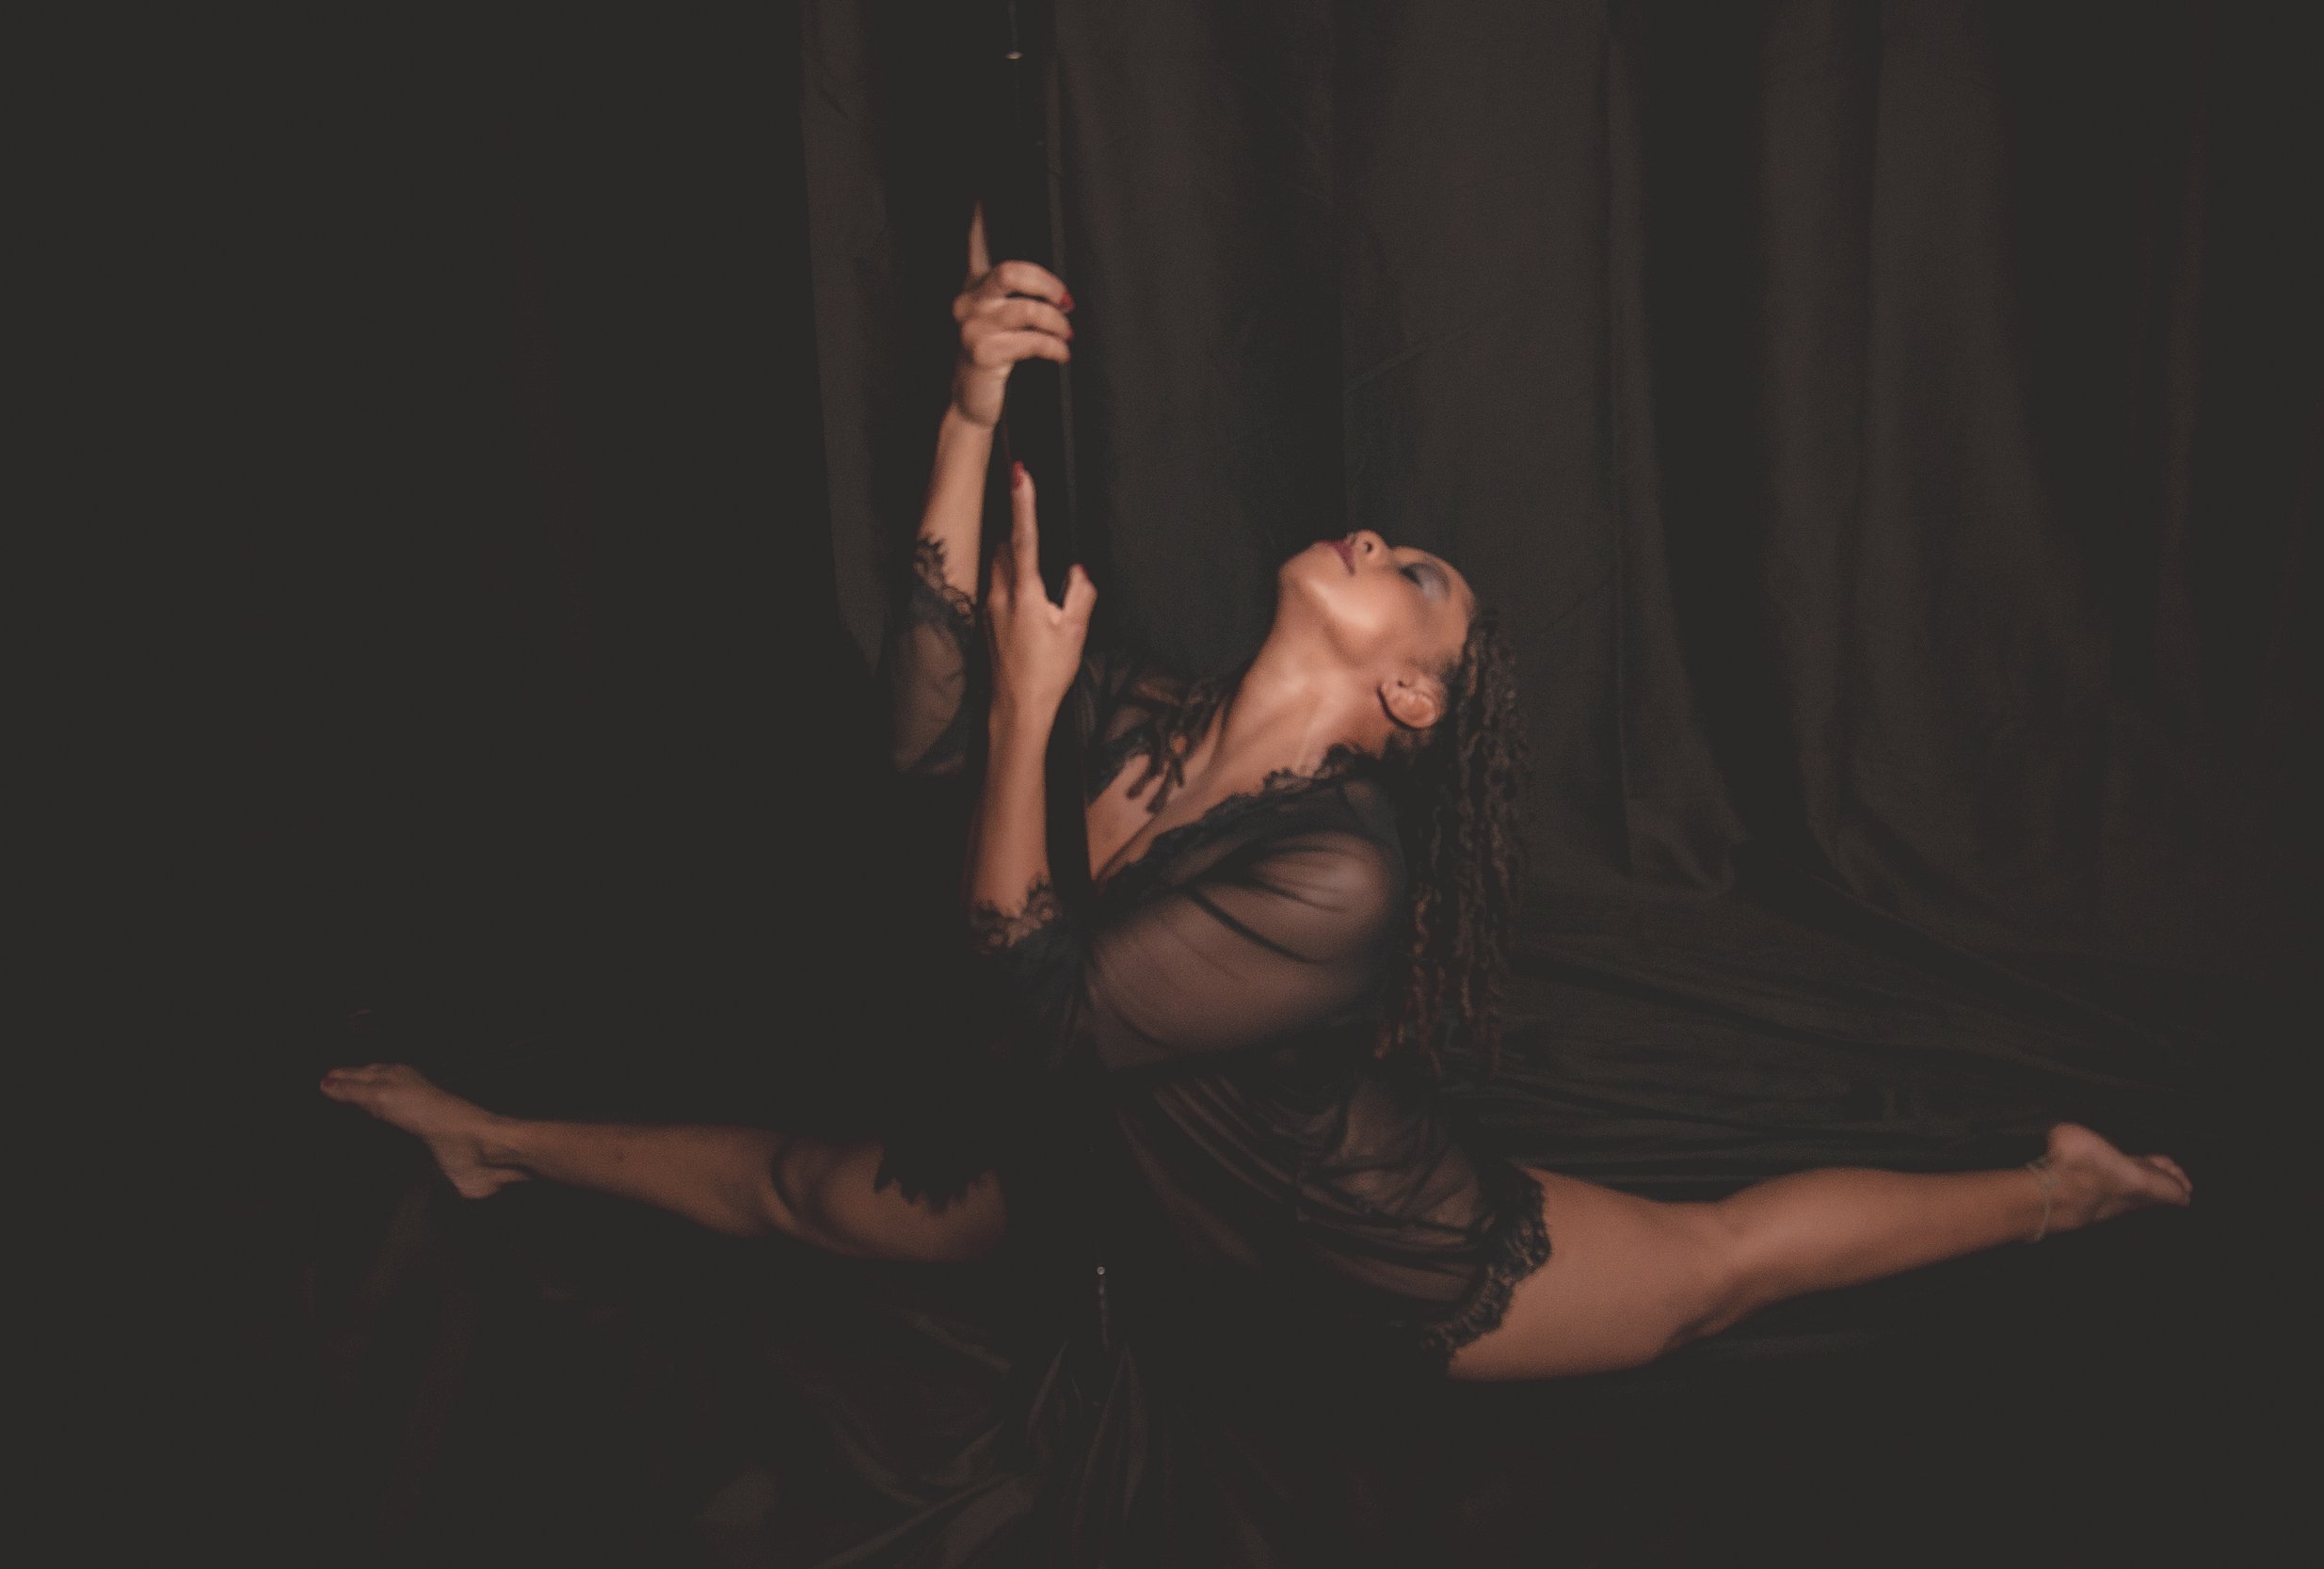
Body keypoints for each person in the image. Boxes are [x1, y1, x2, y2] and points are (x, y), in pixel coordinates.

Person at [321, 253, 2189, 1494]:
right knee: (804, 1196)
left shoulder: (1334, 876)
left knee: (1704, 1274)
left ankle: (2056, 1197)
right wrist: (970, 420)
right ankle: (492, 1134)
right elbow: (913, 724)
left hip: (1333, 1246)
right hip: (1109, 1194)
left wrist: (1018, 710)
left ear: (1405, 689)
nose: (1388, 541)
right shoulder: (1141, 717)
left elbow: (1022, 1011)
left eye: (1422, 578)